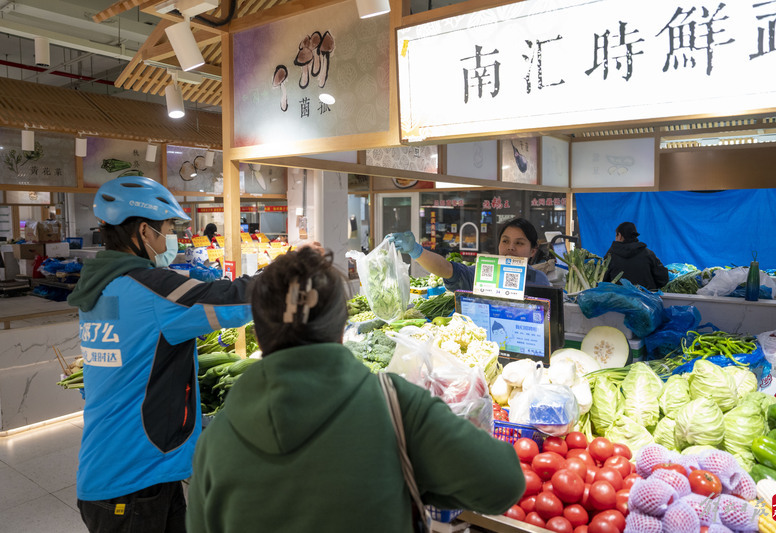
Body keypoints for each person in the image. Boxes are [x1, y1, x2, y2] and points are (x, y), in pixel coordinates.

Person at [186, 247, 525, 532]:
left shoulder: (214, 443)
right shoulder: (395, 405)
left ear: (258, 334)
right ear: (341, 327)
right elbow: (504, 483)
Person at [67, 176, 254, 533]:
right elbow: (232, 299)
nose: (174, 236)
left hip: (119, 467)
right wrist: (294, 276)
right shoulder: (151, 290)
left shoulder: (99, 287)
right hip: (134, 482)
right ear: (143, 231)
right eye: (169, 227)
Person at [388, 216, 551, 295]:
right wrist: (416, 251)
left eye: (520, 243)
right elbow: (446, 269)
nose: (511, 248)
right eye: (505, 241)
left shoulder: (539, 280)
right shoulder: (481, 273)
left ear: (532, 251)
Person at [603, 221, 669, 290]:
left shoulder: (610, 256)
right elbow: (663, 279)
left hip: (618, 299)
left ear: (619, 236)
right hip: (646, 299)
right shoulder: (648, 253)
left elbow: (602, 281)